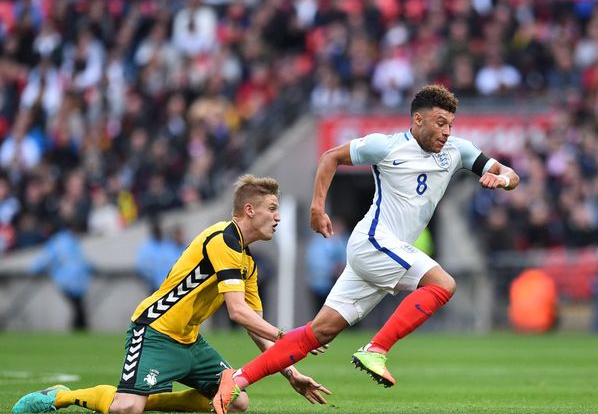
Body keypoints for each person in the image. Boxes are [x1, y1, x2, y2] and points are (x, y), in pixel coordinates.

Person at [212, 84, 519, 413]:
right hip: (374, 241)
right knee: (443, 284)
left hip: (384, 252)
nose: (446, 132)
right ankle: (377, 348)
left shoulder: (458, 151)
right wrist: (317, 208)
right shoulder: (385, 146)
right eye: (440, 122)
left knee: (320, 332)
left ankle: (238, 379)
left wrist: (499, 180)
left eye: (450, 125)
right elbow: (331, 157)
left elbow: (511, 174)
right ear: (418, 120)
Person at [13, 175, 331, 414]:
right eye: (272, 209)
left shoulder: (247, 261)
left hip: (190, 342)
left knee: (237, 401)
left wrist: (291, 371)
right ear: (249, 210)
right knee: (126, 409)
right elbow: (237, 312)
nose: (278, 217)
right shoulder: (222, 239)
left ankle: (144, 398)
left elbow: (252, 322)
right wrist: (287, 337)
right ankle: (60, 396)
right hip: (154, 331)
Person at [29, 219, 92, 331]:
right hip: (70, 282)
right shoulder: (64, 241)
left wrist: (34, 269)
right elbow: (48, 258)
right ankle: (79, 330)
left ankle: (79, 330)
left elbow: (46, 258)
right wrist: (33, 269)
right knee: (78, 308)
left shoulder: (64, 241)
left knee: (78, 308)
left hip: (69, 282)